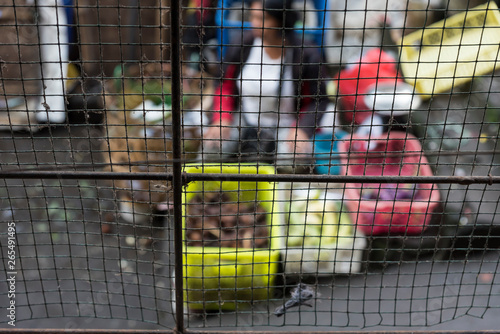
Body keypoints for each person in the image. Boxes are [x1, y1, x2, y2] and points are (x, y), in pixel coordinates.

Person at [203, 0, 329, 170]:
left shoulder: (305, 54)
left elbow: (319, 100)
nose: (255, 23)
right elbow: (224, 84)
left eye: (262, 19)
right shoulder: (242, 44)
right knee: (210, 150)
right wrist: (222, 118)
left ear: (280, 21)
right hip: (245, 118)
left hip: (287, 124)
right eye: (253, 17)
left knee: (294, 162)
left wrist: (302, 129)